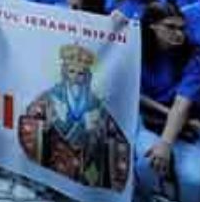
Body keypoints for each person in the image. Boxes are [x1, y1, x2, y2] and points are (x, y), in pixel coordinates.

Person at [134, 3, 200, 202]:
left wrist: (165, 143)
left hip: (189, 122)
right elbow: (135, 92)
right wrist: (163, 112)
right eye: (170, 27)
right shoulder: (138, 48)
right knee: (147, 164)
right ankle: (142, 199)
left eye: (182, 28)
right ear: (153, 26)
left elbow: (182, 104)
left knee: (194, 182)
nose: (178, 33)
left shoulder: (193, 57)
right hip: (149, 119)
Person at [16, 43, 131, 190]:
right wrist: (45, 126)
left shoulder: (96, 102)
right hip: (57, 155)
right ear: (64, 73)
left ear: (87, 76)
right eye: (71, 72)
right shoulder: (49, 97)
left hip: (88, 159)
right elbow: (30, 122)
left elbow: (115, 135)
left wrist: (99, 130)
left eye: (81, 73)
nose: (76, 77)